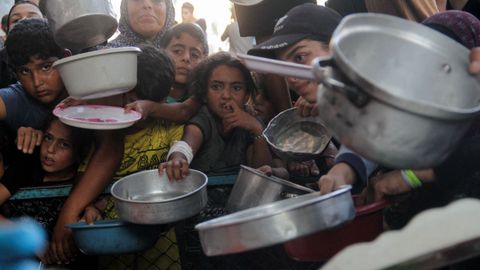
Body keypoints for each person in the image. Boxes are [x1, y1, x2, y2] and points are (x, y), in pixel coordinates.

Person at [159, 52, 272, 179]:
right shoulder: (204, 119)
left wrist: (257, 130)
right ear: (204, 94)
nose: (226, 95)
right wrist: (178, 159)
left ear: (246, 95)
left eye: (236, 88)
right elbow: (186, 144)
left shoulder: (251, 122)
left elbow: (263, 173)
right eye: (216, 87)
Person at [125, 22, 208, 122]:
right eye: (177, 51)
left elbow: (184, 112)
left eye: (194, 55)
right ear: (161, 51)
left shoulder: (201, 93)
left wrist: (150, 107)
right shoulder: (146, 86)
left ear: (204, 60)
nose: (186, 58)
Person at [0, 1, 43, 89]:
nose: (24, 21)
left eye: (32, 17)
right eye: (16, 20)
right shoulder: (1, 61)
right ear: (7, 30)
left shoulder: (60, 51)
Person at [109, 0, 176, 48]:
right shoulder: (106, 56)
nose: (147, 5)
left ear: (168, 8)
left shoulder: (182, 56)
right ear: (125, 8)